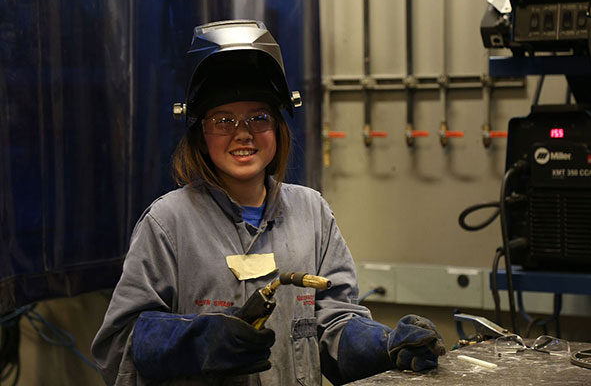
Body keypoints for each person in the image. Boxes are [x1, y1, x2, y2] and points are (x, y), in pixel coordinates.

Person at [91, 19, 445, 386]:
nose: (242, 133)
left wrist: (383, 345)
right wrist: (198, 342)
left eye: (258, 118)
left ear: (278, 126)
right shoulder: (168, 222)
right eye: (223, 119)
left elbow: (334, 324)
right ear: (199, 132)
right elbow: (118, 346)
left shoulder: (312, 213)